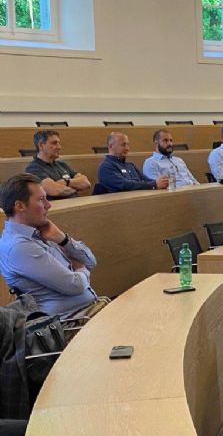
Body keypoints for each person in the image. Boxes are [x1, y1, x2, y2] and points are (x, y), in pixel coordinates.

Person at [0, 174, 108, 320]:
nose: (48, 205)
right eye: (41, 199)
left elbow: (91, 261)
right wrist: (81, 269)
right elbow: (74, 286)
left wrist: (63, 240)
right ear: (20, 206)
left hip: (87, 310)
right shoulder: (18, 246)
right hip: (70, 321)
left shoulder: (41, 231)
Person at [25, 130, 91, 199]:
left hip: (76, 202)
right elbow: (54, 190)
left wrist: (66, 182)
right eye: (54, 143)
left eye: (59, 143)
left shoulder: (62, 165)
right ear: (41, 145)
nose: (59, 147)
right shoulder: (33, 168)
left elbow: (86, 183)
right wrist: (75, 188)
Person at [96, 132, 169, 193]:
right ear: (111, 146)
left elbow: (147, 180)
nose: (127, 148)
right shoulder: (105, 167)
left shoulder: (131, 165)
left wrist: (162, 182)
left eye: (128, 144)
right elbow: (124, 185)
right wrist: (154, 184)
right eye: (123, 144)